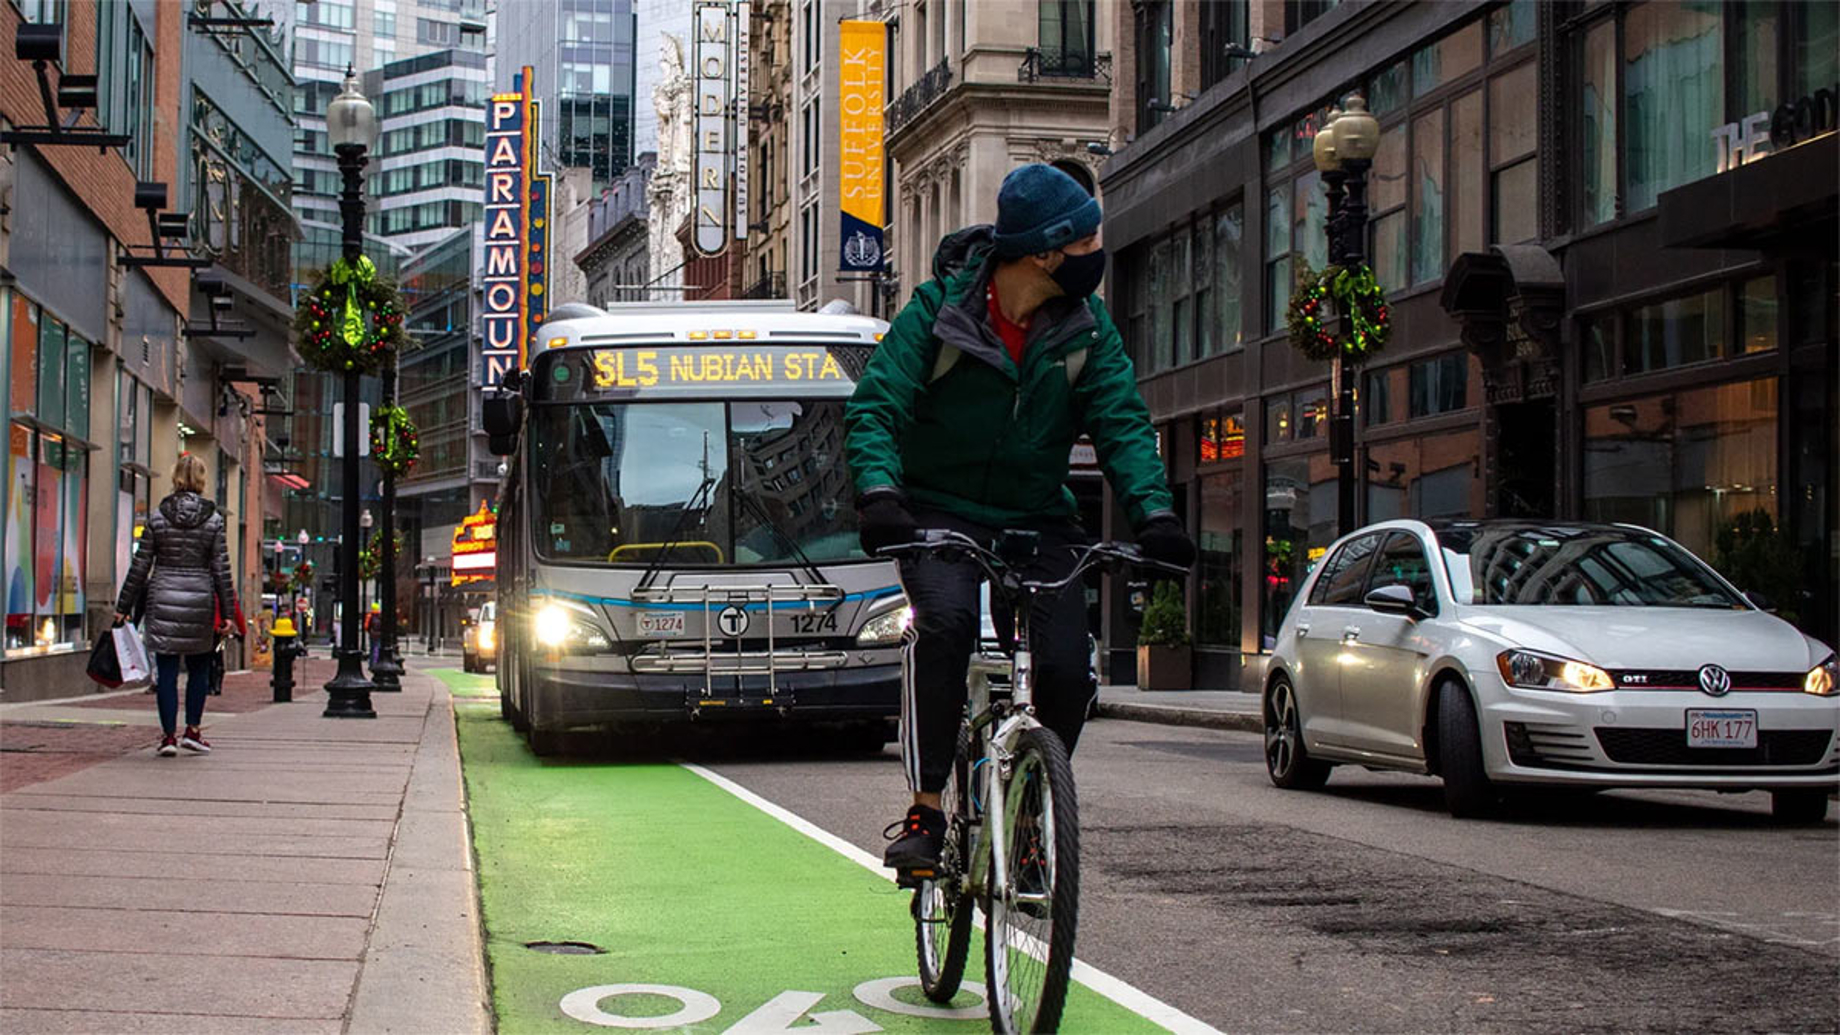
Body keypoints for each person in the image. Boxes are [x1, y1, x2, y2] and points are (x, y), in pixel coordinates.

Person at [845, 163, 1195, 872]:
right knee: (940, 627)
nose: (1099, 253)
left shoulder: (1085, 331)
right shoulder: (938, 313)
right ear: (1043, 251)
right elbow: (876, 406)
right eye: (1089, 240)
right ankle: (928, 806)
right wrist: (883, 494)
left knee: (1069, 669)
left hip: (1038, 517)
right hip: (938, 514)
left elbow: (1122, 423)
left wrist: (1154, 513)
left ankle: (1032, 802)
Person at [115, 454, 245, 757]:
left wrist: (124, 606)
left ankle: (168, 737)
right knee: (200, 668)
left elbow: (140, 565)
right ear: (201, 479)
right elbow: (221, 571)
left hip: (163, 598)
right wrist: (227, 614)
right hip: (199, 599)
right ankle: (193, 731)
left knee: (168, 671)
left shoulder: (158, 517)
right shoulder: (213, 521)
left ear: (175, 477)